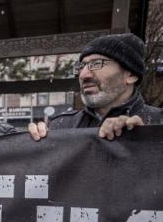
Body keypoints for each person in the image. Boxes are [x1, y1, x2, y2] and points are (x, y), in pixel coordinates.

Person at [28, 33, 162, 141]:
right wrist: (34, 143)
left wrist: (147, 141)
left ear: (131, 75)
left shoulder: (158, 123)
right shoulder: (61, 125)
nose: (83, 75)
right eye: (81, 66)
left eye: (97, 63)